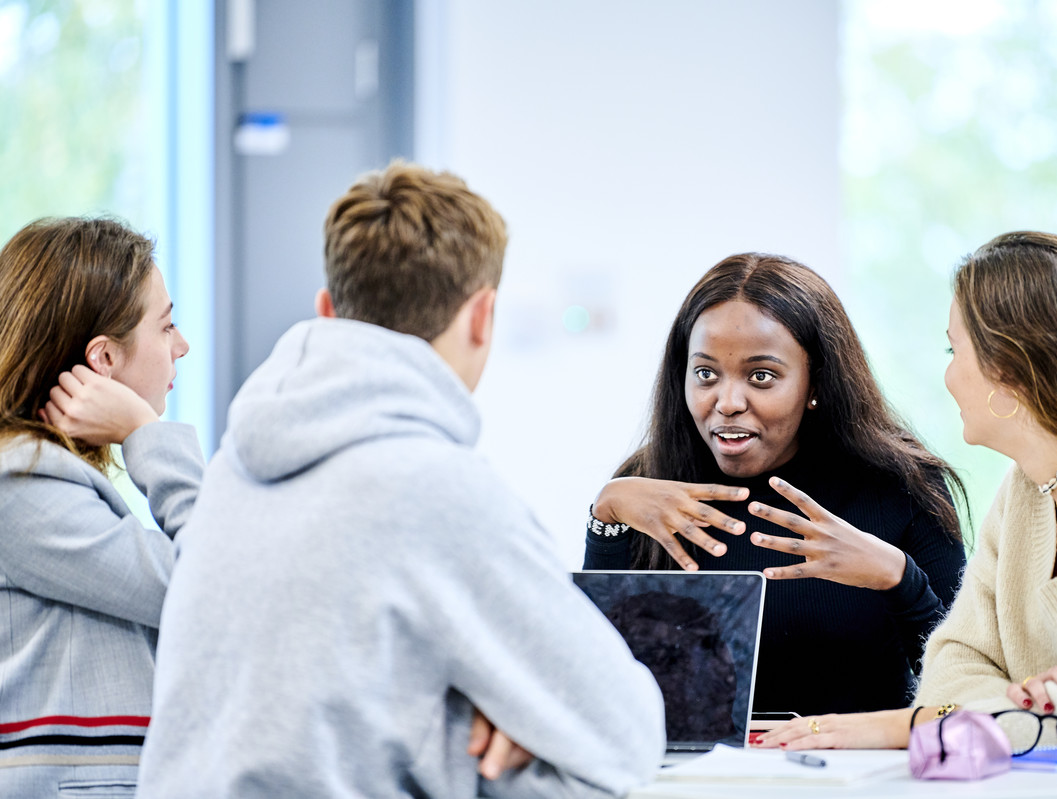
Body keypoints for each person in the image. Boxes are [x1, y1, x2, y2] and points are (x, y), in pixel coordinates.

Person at [135, 160, 665, 799]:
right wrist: (521, 716)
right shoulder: (439, 489)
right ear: (482, 316)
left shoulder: (230, 473)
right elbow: (627, 734)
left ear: (328, 311)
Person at [758, 231, 1057, 754]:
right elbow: (949, 673)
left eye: (954, 348)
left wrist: (919, 725)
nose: (948, 374)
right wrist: (1024, 708)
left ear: (1009, 368)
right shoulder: (1026, 491)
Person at [584, 253, 968, 716]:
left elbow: (963, 690)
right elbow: (593, 678)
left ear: (816, 382)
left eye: (761, 376)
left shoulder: (903, 485)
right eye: (706, 374)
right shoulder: (643, 488)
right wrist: (605, 513)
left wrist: (899, 578)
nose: (727, 402)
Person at [0, 217, 202, 797]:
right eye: (166, 328)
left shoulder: (45, 480)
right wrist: (146, 432)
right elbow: (214, 583)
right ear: (104, 360)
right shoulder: (19, 485)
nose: (181, 347)